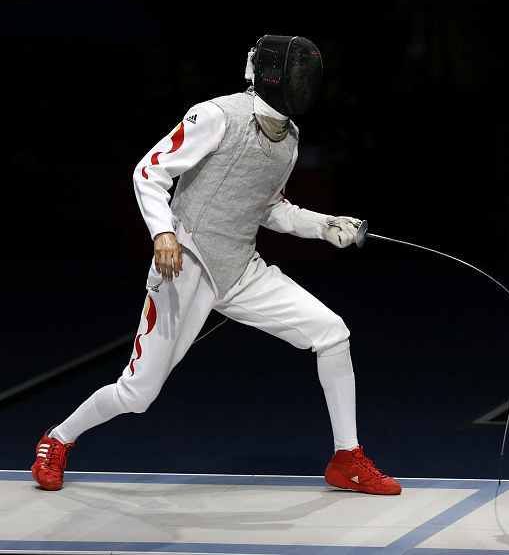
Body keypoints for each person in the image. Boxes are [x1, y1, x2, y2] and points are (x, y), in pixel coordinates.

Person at [31, 35, 401, 496]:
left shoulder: (290, 139)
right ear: (272, 74)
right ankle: (57, 439)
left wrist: (326, 225)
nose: (305, 84)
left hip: (241, 269)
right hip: (183, 265)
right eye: (299, 74)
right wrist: (162, 231)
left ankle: (347, 458)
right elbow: (149, 171)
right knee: (137, 394)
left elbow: (272, 207)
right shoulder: (217, 115)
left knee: (332, 333)